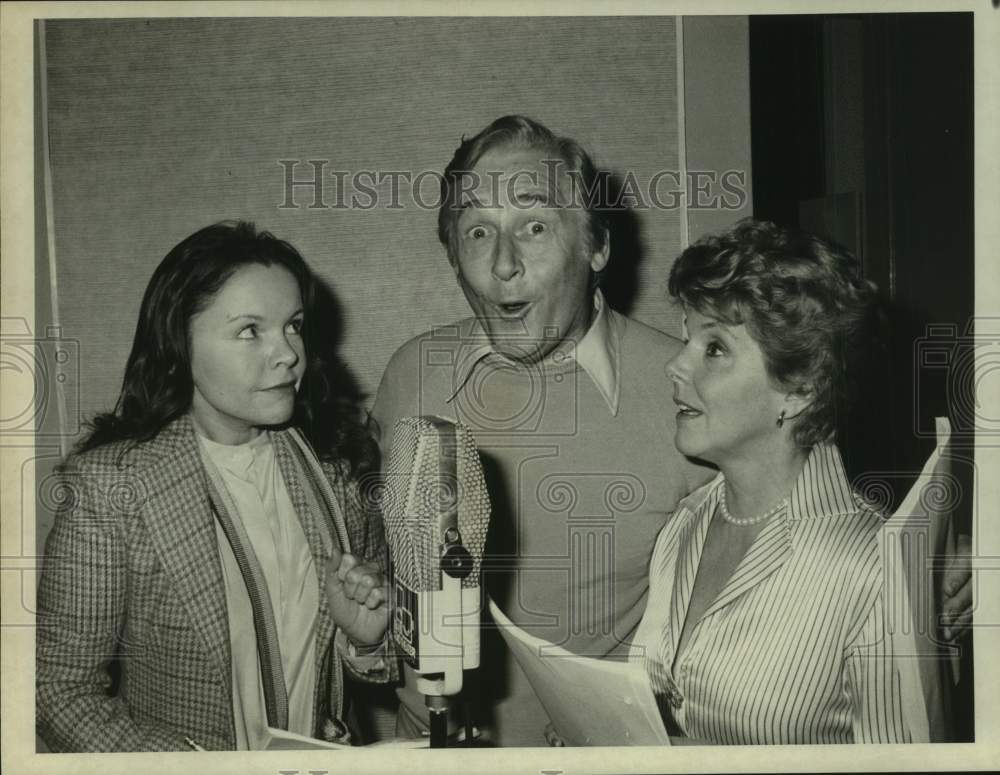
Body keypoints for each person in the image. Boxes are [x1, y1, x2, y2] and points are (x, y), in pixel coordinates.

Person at [372, 115, 972, 746]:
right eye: (476, 231)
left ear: (596, 247)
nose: (503, 266)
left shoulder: (690, 399)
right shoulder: (410, 374)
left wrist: (930, 576)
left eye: (535, 226)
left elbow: (808, 489)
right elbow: (385, 561)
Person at [36, 221, 392, 751]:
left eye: (293, 325)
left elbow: (366, 664)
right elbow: (56, 691)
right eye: (251, 330)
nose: (288, 354)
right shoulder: (110, 488)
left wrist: (365, 642)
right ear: (178, 343)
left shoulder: (336, 469)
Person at [629, 219, 929, 743]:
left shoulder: (874, 567)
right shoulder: (685, 524)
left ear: (799, 389)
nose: (675, 365)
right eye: (685, 339)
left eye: (714, 348)